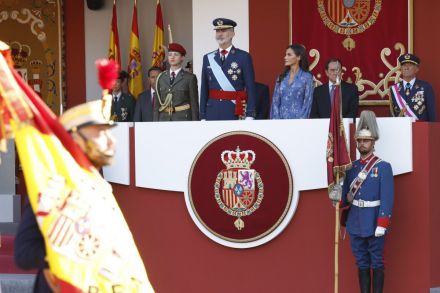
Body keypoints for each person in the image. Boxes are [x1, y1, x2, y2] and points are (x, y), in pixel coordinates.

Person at [15, 99, 117, 293]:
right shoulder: (52, 188)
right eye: (101, 132)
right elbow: (24, 253)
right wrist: (78, 254)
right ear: (76, 138)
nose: (112, 140)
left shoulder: (100, 187)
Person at [341, 110, 394, 293]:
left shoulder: (383, 167)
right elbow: (345, 196)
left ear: (373, 142)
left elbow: (387, 198)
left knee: (376, 261)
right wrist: (336, 195)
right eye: (360, 140)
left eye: (366, 140)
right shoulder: (350, 168)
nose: (362, 144)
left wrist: (382, 223)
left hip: (374, 221)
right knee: (361, 262)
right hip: (355, 221)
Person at [200, 18, 257, 120]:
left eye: (224, 31)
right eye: (217, 31)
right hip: (212, 111)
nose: (220, 34)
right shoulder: (208, 58)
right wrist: (202, 115)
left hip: (234, 110)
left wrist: (250, 114)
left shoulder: (243, 57)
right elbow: (204, 88)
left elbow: (250, 87)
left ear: (232, 34)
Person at [153, 43, 199, 121]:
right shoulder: (161, 77)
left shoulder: (190, 78)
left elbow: (194, 105)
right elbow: (157, 105)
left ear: (182, 58)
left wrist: (195, 124)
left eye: (176, 54)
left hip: (182, 119)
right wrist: (155, 123)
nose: (172, 57)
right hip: (164, 119)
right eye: (170, 54)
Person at [270, 44, 313, 119]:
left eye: (289, 55)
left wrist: (300, 122)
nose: (285, 57)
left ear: (299, 57)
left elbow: (307, 102)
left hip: (299, 122)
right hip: (280, 122)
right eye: (285, 55)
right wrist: (276, 121)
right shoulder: (281, 77)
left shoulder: (307, 77)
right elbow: (275, 101)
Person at [389, 53, 436, 121]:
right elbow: (392, 114)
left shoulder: (426, 87)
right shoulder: (394, 89)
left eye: (410, 65)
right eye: (404, 65)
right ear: (400, 69)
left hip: (420, 129)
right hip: (400, 129)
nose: (406, 67)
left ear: (416, 69)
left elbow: (432, 113)